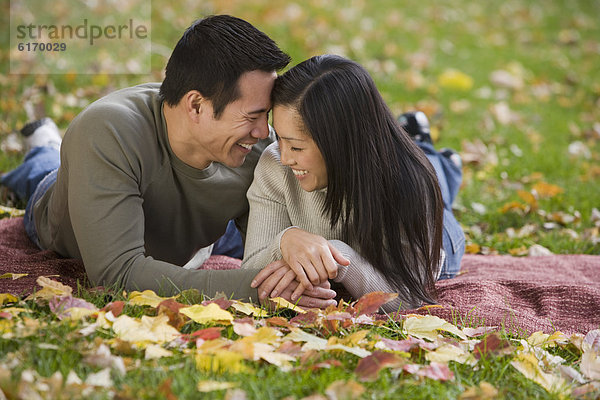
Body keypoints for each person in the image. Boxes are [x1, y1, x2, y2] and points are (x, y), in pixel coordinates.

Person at [0, 15, 337, 308]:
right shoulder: (107, 133)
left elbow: (271, 245)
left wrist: (292, 248)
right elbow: (117, 273)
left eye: (266, 115)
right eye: (252, 116)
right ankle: (44, 143)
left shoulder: (258, 145)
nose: (265, 131)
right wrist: (257, 291)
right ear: (195, 106)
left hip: (204, 234)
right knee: (42, 174)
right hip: (72, 210)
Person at [243, 55, 465, 312]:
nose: (284, 157)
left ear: (341, 143)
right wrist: (285, 240)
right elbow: (250, 270)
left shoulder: (411, 185)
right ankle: (416, 135)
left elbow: (409, 296)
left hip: (439, 239)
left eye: (295, 146)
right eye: (279, 138)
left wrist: (338, 257)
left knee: (435, 177)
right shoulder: (275, 164)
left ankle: (443, 161)